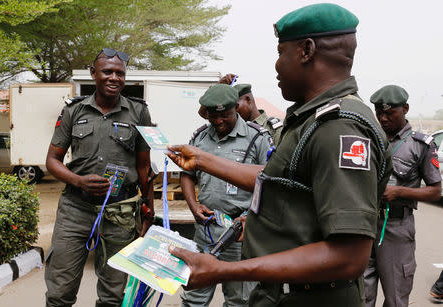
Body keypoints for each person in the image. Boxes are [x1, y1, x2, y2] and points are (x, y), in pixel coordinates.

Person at [166, 3, 392, 307]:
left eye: (280, 52)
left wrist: (225, 271)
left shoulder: (338, 128)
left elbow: (348, 256)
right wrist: (202, 159)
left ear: (306, 50)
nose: (275, 65)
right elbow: (275, 179)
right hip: (285, 293)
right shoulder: (311, 120)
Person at [44, 48, 154, 307]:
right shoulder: (74, 110)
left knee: (113, 295)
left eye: (120, 73)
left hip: (120, 213)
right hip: (75, 210)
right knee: (59, 292)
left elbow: (144, 167)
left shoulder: (139, 112)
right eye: (107, 72)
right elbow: (52, 161)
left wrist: (148, 210)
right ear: (93, 73)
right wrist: (78, 181)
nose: (114, 78)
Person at [181, 84, 272, 307]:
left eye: (225, 116)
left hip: (239, 235)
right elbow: (187, 175)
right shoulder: (200, 137)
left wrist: (251, 219)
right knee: (194, 297)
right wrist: (194, 206)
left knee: (239, 300)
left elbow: (270, 185)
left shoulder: (257, 137)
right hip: (206, 231)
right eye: (213, 116)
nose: (218, 121)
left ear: (236, 109)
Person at [364, 85, 441, 307]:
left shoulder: (420, 145)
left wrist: (399, 192)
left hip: (397, 228)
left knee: (396, 297)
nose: (383, 118)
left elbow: (436, 190)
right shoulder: (370, 139)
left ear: (405, 109)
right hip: (366, 225)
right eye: (379, 113)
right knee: (361, 296)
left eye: (390, 113)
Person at [219, 74, 283, 138]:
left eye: (236, 106)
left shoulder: (273, 129)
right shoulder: (232, 128)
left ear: (248, 100)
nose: (233, 112)